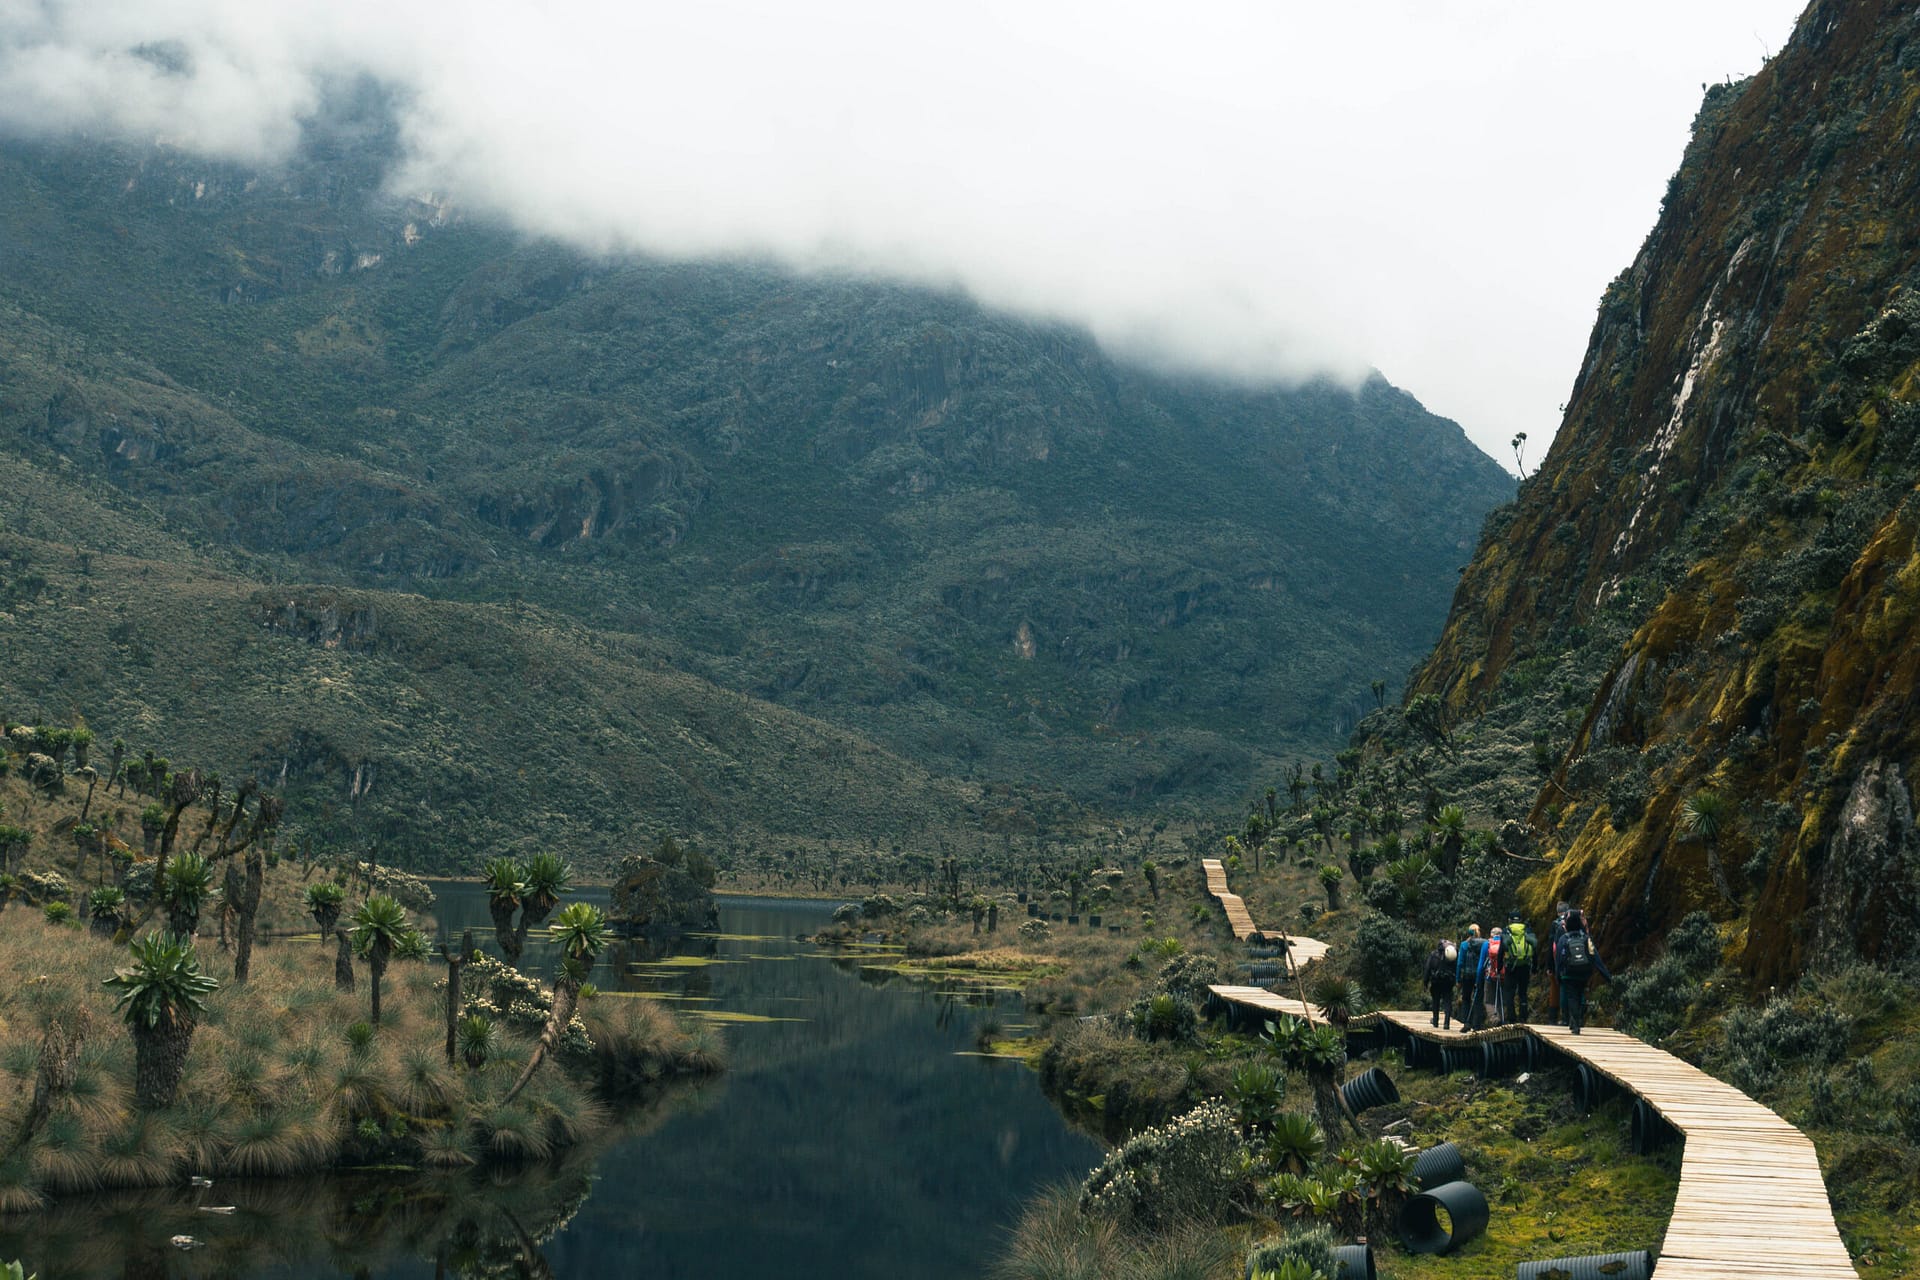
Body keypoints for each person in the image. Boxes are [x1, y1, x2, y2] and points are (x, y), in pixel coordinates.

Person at [1554, 908, 1612, 1034]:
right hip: (1584, 973)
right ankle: (1578, 1020)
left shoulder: (1563, 939)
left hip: (1568, 974)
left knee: (1572, 997)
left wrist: (1558, 975)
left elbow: (1558, 958)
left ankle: (1574, 1022)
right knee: (1580, 995)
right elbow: (1595, 957)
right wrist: (1607, 976)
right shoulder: (1586, 938)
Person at [1503, 913, 1536, 1023]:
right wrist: (1534, 966)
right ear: (1521, 920)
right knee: (1523, 992)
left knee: (1509, 992)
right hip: (1525, 965)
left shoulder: (1507, 930)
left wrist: (1499, 967)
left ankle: (1511, 1018)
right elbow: (1534, 947)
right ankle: (1523, 1016)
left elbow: (1501, 950)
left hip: (1510, 966)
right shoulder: (1527, 930)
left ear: (1509, 920)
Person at [1545, 902, 1572, 1025]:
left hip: (1559, 962)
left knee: (1558, 988)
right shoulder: (1574, 921)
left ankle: (1556, 1017)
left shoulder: (1556, 925)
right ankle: (1576, 1016)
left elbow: (1552, 946)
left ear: (1557, 912)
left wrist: (1550, 966)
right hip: (1576, 961)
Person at [1455, 924, 1484, 1029]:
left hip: (1467, 976)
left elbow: (1459, 963)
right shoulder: (1483, 944)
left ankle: (1467, 1023)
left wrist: (1458, 979)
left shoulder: (1464, 945)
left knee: (1466, 999)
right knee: (1478, 999)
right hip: (1479, 975)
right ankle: (1477, 1025)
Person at [1424, 936, 1457, 1029]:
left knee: (1436, 1001)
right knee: (1447, 1001)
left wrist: (1425, 983)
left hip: (1436, 982)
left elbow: (1427, 969)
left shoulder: (1433, 954)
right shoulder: (1453, 955)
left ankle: (1435, 1021)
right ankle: (1446, 1023)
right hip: (1448, 982)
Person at [1482, 926, 1507, 1024]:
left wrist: (1479, 976)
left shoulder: (1487, 944)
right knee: (1501, 999)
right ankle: (1503, 1019)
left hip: (1490, 975)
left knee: (1488, 1000)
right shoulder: (1505, 942)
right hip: (1503, 975)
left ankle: (1494, 1019)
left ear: (1491, 934)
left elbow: (1482, 962)